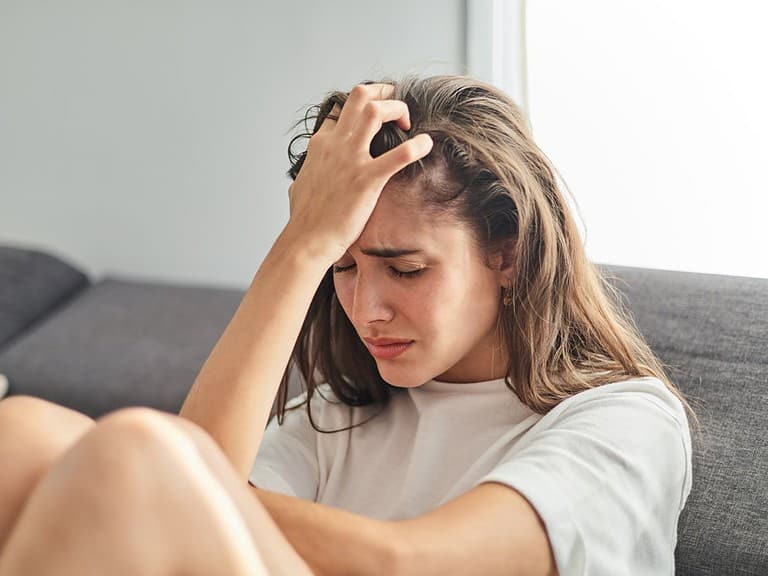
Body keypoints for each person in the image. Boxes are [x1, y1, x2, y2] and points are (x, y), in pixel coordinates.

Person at [0, 76, 694, 576]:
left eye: (407, 269)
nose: (367, 310)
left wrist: (147, 479)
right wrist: (303, 244)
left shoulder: (626, 421)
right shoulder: (334, 418)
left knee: (136, 455)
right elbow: (196, 514)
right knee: (23, 433)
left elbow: (408, 564)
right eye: (343, 267)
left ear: (506, 254)